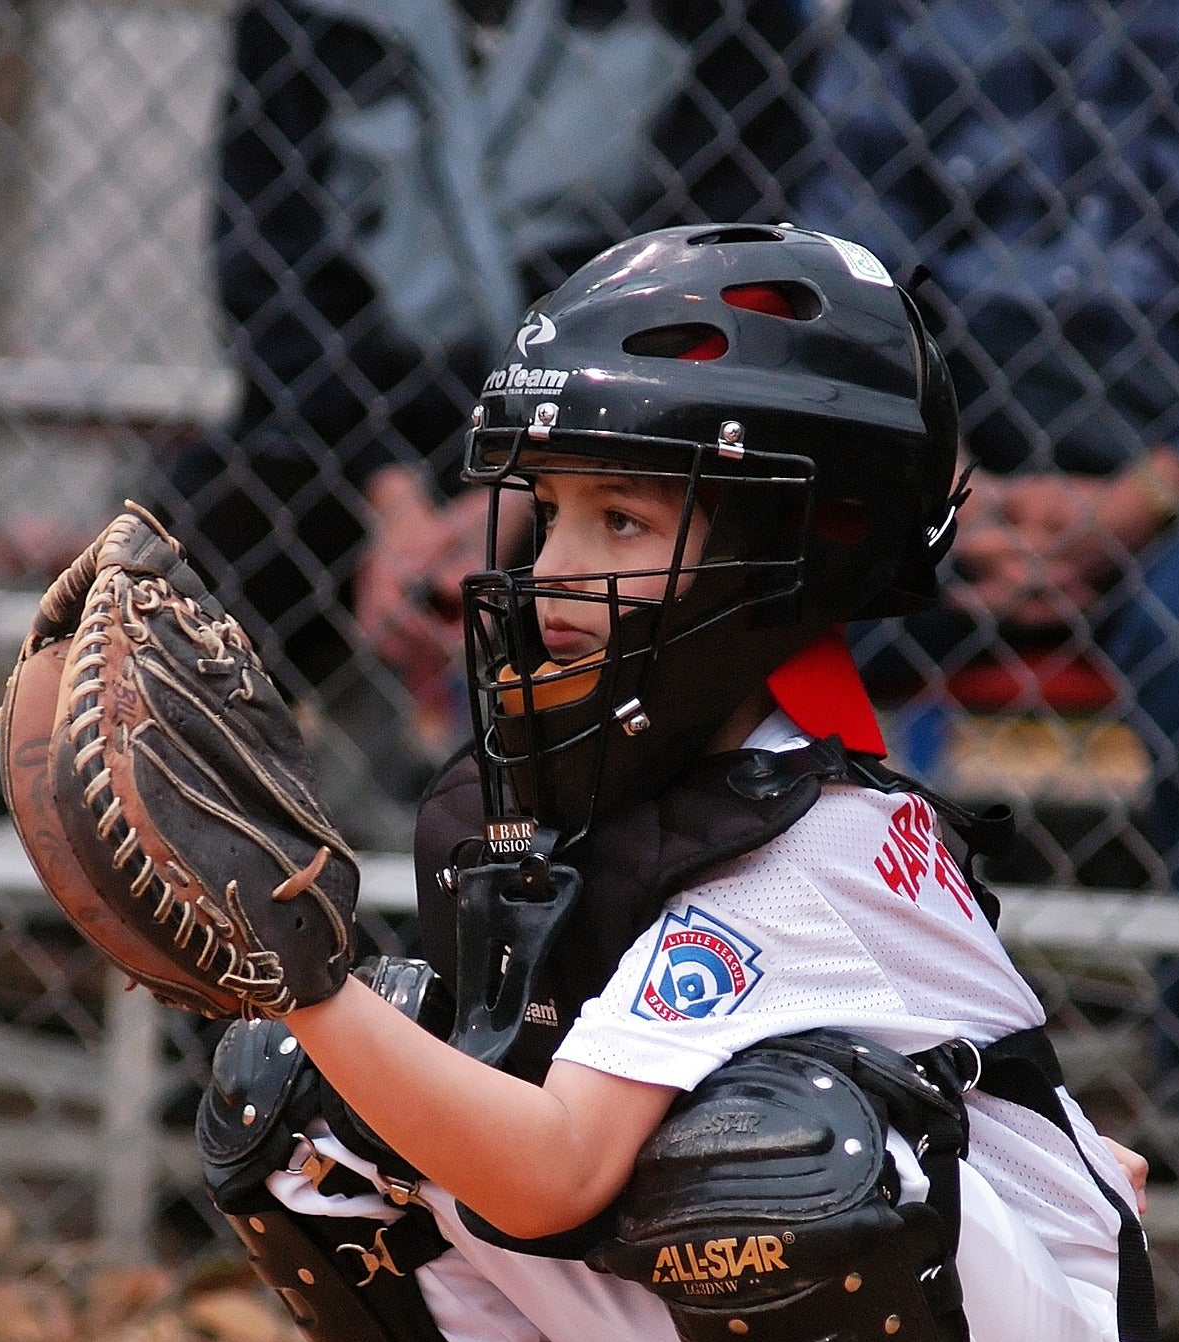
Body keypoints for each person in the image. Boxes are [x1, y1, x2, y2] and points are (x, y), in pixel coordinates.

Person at [192, 224, 1152, 1342]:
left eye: (625, 524)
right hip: (861, 1269)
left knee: (762, 1149)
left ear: (803, 548)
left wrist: (304, 974)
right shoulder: (601, 779)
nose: (557, 572)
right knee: (304, 1095)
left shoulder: (806, 840)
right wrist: (305, 1014)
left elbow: (562, 1172)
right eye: (553, 513)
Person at [160, 0, 812, 832]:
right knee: (197, 566)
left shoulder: (719, 21)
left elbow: (700, 278)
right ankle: (198, 881)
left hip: (600, 423)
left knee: (638, 555)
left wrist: (518, 488)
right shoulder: (304, 15)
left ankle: (580, 877)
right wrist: (393, 496)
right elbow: (274, 279)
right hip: (348, 429)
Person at [796, 0, 1179, 1134]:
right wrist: (938, 471)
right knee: (754, 593)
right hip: (952, 422)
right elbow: (843, 268)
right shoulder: (911, 22)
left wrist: (1147, 494)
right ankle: (799, 1008)